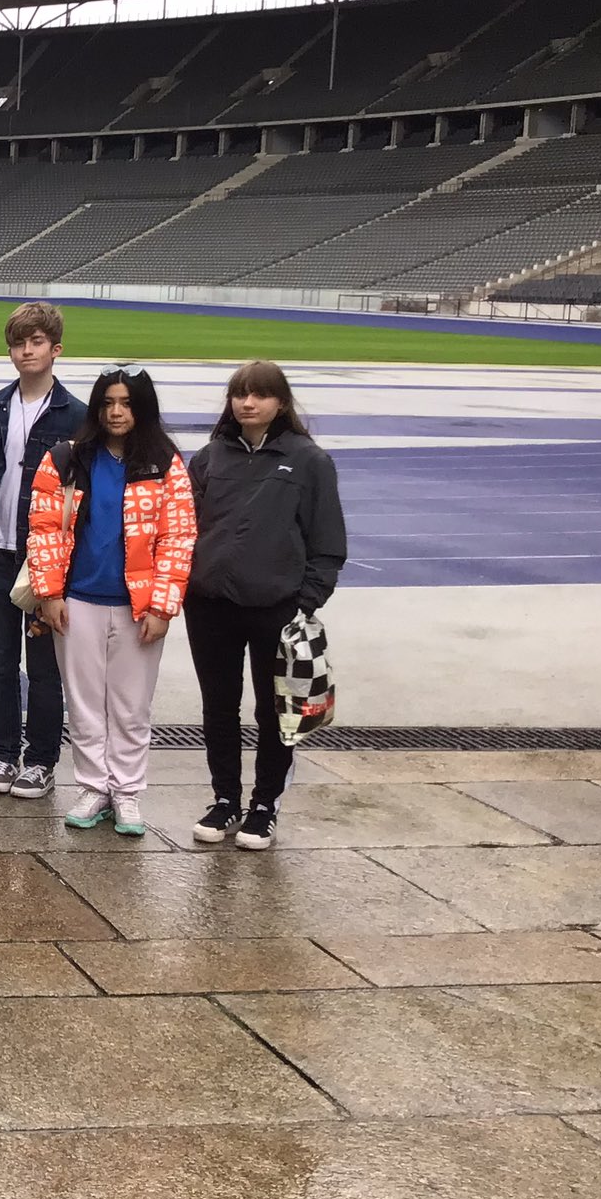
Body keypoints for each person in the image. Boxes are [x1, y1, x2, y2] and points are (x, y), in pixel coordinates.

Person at [25, 367, 196, 835]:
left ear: (142, 408)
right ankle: (93, 786)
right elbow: (43, 529)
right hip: (77, 600)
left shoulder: (165, 464)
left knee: (131, 706)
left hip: (138, 606)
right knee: (83, 704)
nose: (116, 412)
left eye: (126, 403)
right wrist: (49, 594)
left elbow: (178, 537)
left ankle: (127, 791)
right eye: (107, 403)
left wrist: (162, 606)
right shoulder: (66, 458)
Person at [184, 360, 347, 851]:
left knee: (275, 711)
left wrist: (307, 600)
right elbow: (185, 529)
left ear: (281, 402)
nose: (248, 403)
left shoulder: (308, 461)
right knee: (218, 706)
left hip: (275, 607)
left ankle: (264, 804)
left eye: (259, 394)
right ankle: (225, 799)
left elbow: (327, 540)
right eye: (240, 394)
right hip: (209, 604)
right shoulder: (210, 458)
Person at [0, 302, 84, 799]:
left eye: (36, 342)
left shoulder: (75, 415)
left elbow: (79, 493)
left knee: (43, 668)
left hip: (43, 558)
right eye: (18, 343)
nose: (26, 350)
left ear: (55, 348)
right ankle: (3, 755)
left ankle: (40, 761)